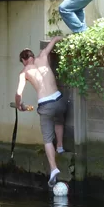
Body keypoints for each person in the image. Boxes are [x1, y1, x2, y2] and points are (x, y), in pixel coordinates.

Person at [14, 36, 66, 188]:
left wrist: (19, 105)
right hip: (59, 100)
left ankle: (54, 168)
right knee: (59, 120)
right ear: (32, 55)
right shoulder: (43, 56)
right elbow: (55, 39)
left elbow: (18, 93)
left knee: (47, 139)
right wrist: (62, 38)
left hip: (46, 105)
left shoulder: (24, 72)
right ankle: (60, 147)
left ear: (24, 60)